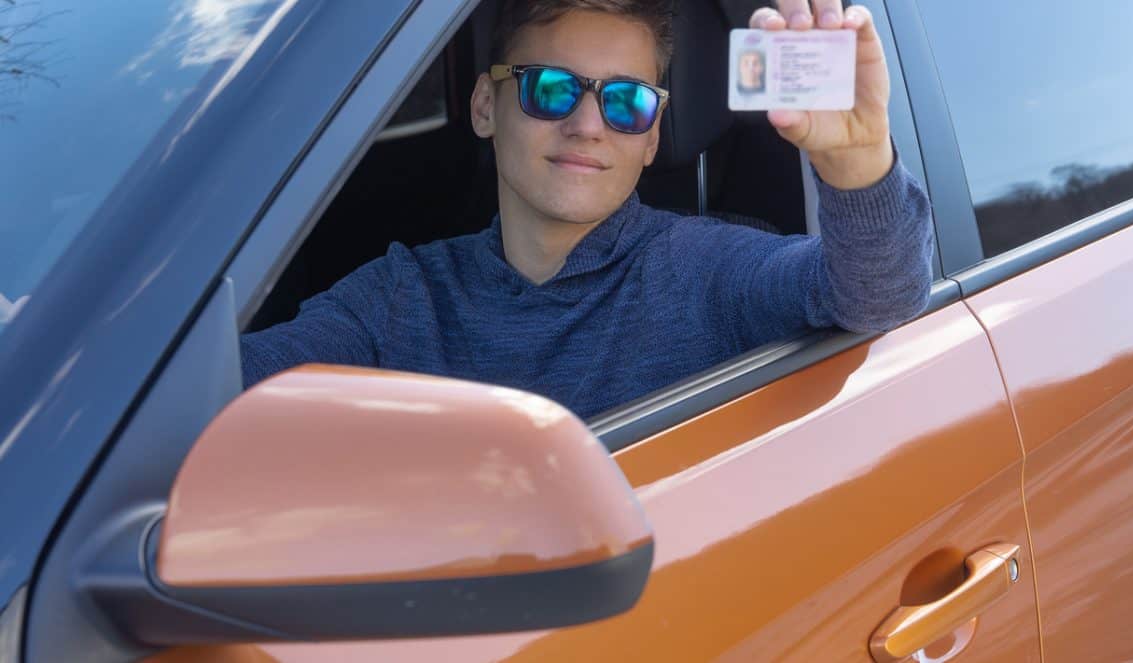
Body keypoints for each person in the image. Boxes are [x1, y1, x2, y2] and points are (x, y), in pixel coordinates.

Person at [241, 0, 934, 419]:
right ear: (486, 105)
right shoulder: (399, 300)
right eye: (550, 89)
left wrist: (855, 159)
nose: (588, 123)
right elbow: (207, 397)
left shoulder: (708, 271)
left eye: (626, 101)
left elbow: (881, 293)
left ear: (653, 134)